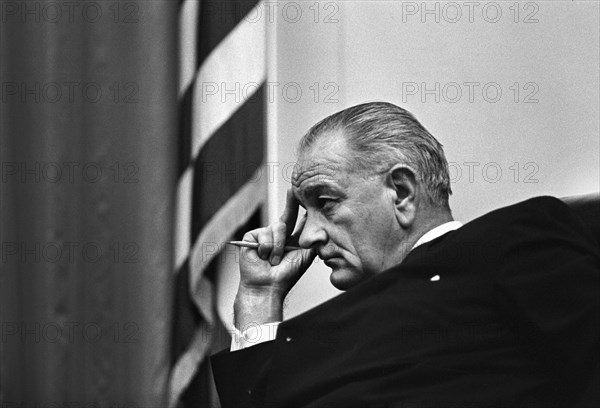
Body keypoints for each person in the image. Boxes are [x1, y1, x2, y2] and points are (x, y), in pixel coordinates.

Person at [210, 102, 600, 408]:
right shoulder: (339, 330)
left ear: (402, 193)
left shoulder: (509, 241)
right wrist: (260, 298)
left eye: (325, 203)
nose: (307, 236)